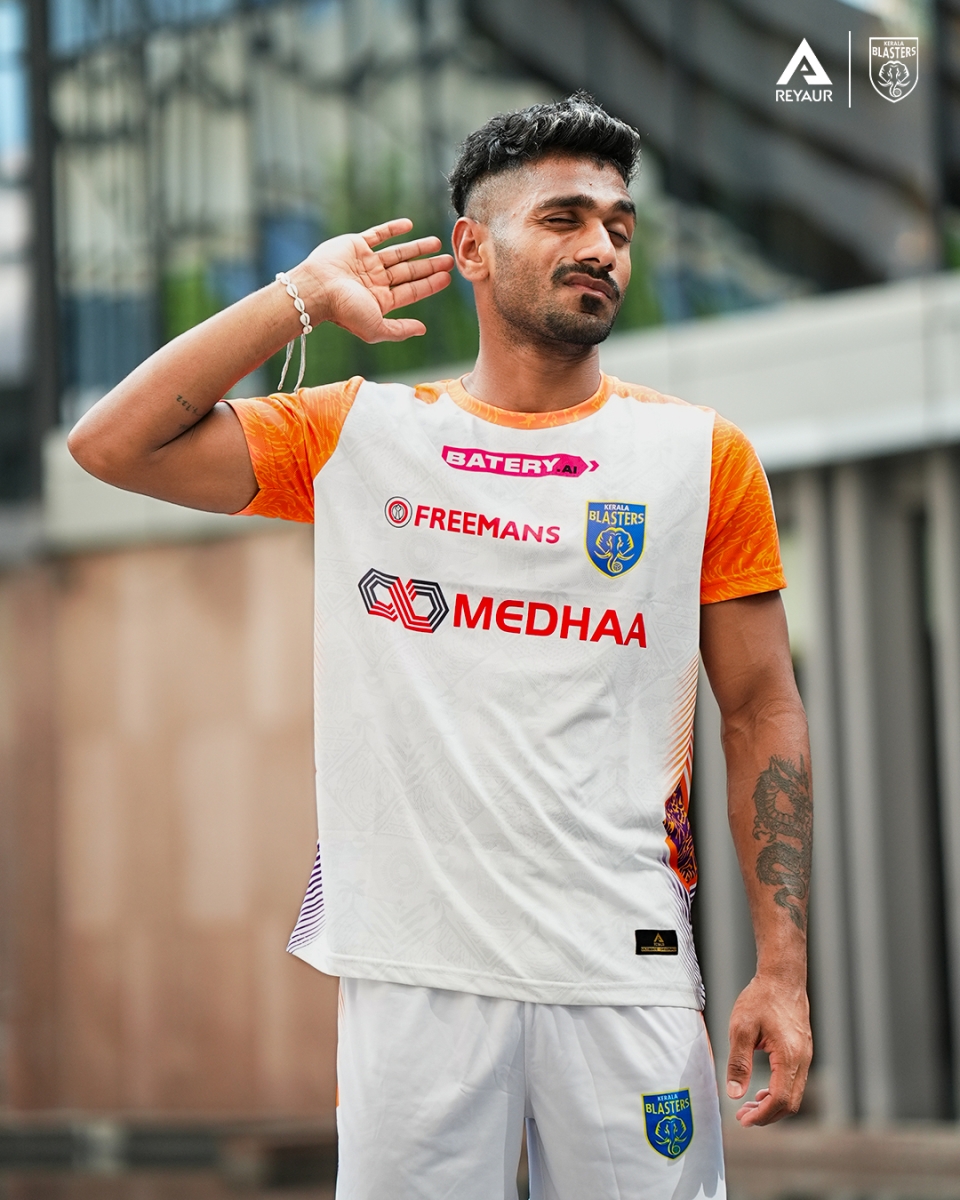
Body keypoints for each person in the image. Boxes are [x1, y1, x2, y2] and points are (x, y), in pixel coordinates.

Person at [68, 94, 812, 1200]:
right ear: (472, 247)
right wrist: (295, 297)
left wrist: (783, 970)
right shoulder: (360, 433)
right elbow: (111, 445)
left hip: (626, 967)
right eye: (562, 218)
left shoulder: (701, 456)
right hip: (413, 971)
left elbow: (760, 710)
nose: (601, 246)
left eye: (618, 225)